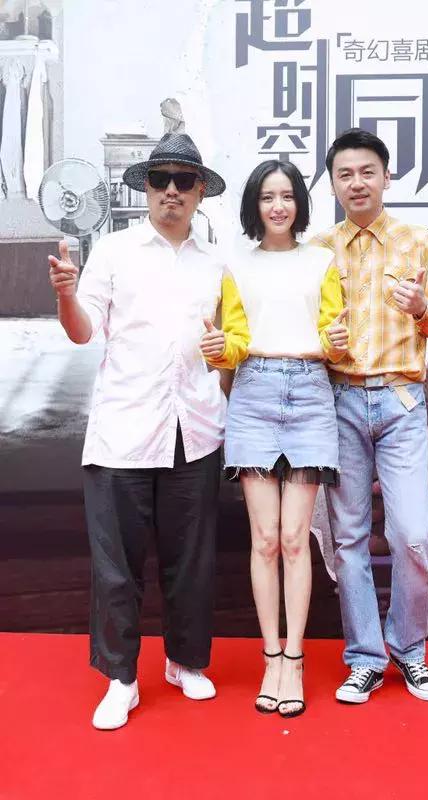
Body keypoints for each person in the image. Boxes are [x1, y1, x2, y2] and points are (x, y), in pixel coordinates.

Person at [47, 133, 227, 730]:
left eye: (183, 180)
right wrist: (66, 296)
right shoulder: (115, 251)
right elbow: (82, 332)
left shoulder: (216, 263)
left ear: (200, 191)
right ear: (145, 188)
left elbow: (228, 347)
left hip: (194, 428)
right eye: (159, 180)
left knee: (190, 560)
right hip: (123, 429)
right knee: (117, 567)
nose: (171, 191)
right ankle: (121, 678)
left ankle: (185, 662)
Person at [313, 128, 428, 704]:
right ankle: (365, 659)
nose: (357, 183)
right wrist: (325, 340)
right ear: (332, 184)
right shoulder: (319, 250)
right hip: (340, 400)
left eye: (367, 171)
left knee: (413, 534)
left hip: (400, 402)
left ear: (387, 177)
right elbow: (305, 331)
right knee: (348, 537)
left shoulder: (418, 242)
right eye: (345, 174)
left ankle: (410, 649)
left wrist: (421, 307)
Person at [201, 160, 348, 717]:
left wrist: (337, 341)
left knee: (294, 538)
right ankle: (270, 658)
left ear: (299, 203)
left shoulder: (322, 261)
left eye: (287, 196)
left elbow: (333, 337)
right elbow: (237, 340)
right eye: (267, 197)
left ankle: (296, 659)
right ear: (254, 205)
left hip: (310, 393)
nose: (278, 206)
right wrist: (223, 349)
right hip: (255, 394)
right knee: (264, 539)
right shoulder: (236, 265)